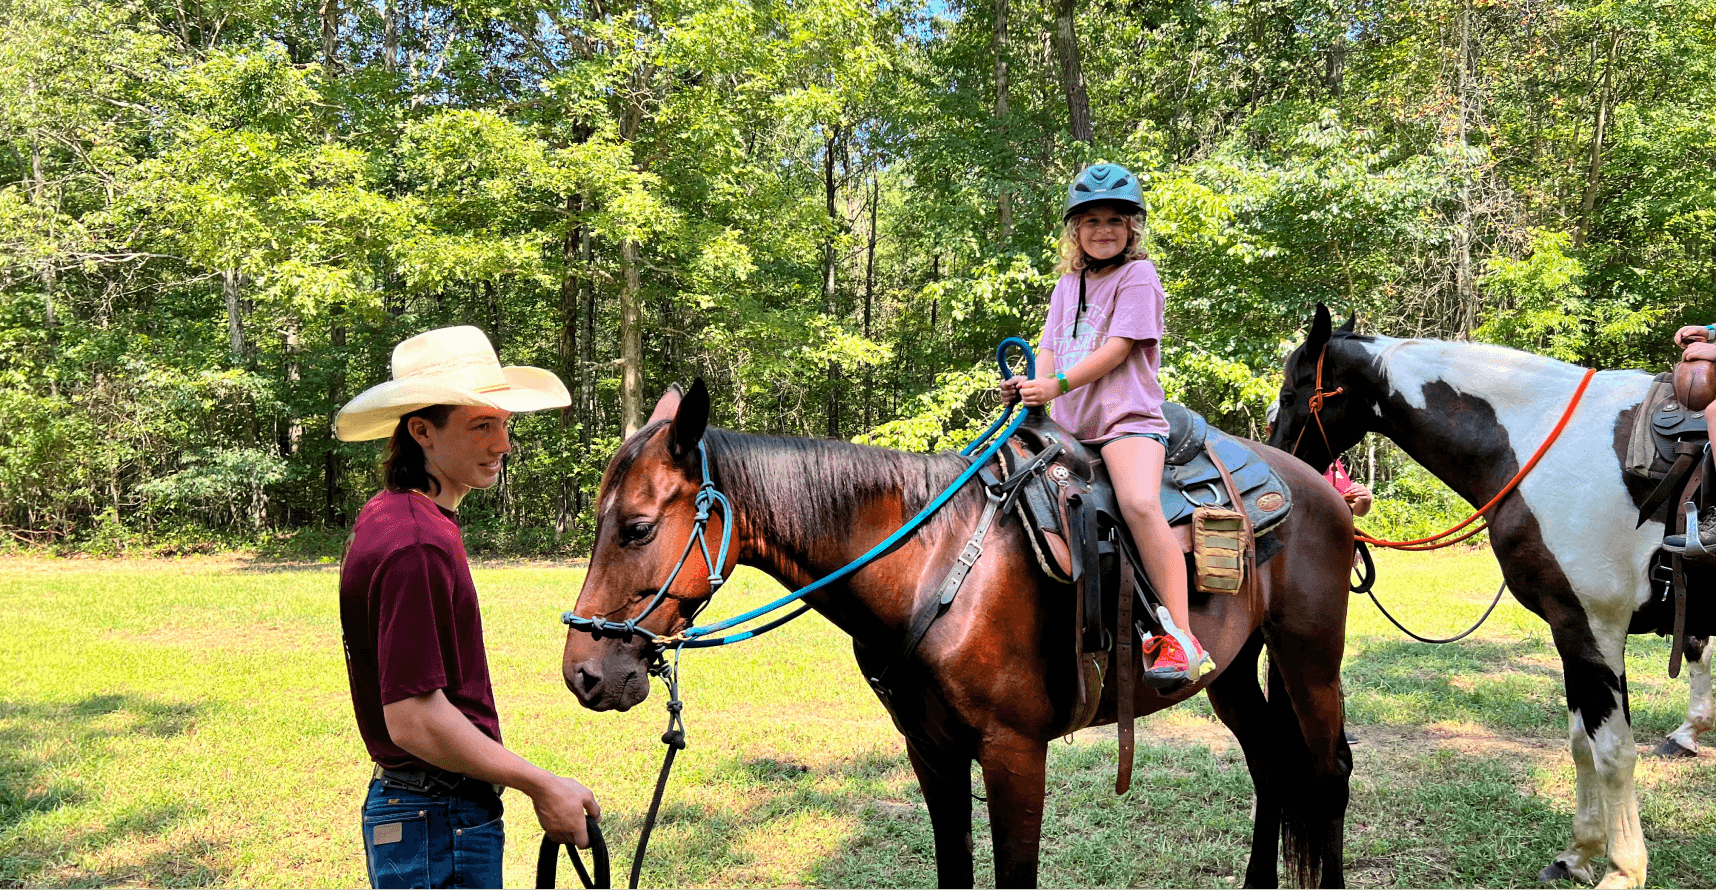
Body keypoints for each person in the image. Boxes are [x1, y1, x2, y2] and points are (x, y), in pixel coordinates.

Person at [334, 326, 601, 889]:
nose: (502, 443)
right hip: (438, 815)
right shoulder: (416, 541)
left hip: (426, 811)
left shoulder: (392, 515)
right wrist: (541, 784)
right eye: (482, 425)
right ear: (422, 430)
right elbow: (413, 720)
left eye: (504, 424)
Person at [1001, 162, 1210, 683]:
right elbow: (1048, 348)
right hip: (1066, 426)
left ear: (1131, 229)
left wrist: (1057, 386)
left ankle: (1181, 639)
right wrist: (1033, 390)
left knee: (1139, 504)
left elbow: (1118, 349)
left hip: (1126, 421)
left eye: (1115, 220)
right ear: (1076, 230)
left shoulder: (1138, 276)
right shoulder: (1066, 285)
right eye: (1091, 221)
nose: (1103, 230)